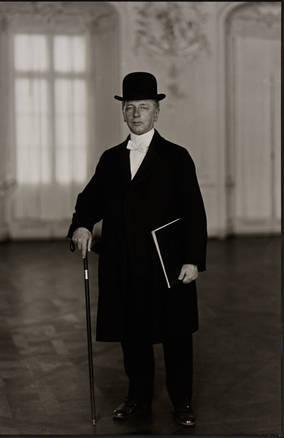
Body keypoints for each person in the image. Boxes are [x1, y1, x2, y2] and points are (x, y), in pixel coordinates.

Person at [67, 72, 207, 427]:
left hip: (166, 262)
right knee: (133, 337)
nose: (136, 114)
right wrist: (82, 225)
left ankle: (182, 402)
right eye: (130, 108)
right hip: (123, 263)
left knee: (176, 337)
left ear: (157, 112)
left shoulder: (177, 157)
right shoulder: (111, 159)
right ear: (123, 113)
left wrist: (193, 259)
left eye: (144, 107)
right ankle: (138, 398)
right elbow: (90, 200)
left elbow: (194, 211)